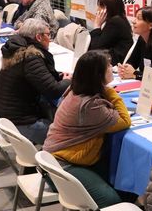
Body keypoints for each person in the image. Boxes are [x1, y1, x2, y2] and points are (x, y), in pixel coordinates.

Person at [42, 50, 131, 208]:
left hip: (58, 158)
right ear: (98, 75)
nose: (112, 68)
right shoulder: (90, 105)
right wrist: (109, 90)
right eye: (108, 66)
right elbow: (124, 120)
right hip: (62, 167)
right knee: (112, 202)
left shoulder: (75, 92)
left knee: (119, 176)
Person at [0, 19, 70, 144]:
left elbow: (39, 78)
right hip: (19, 126)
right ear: (38, 37)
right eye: (48, 34)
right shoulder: (30, 57)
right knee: (72, 136)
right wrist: (68, 80)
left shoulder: (15, 50)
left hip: (6, 122)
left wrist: (59, 77)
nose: (50, 38)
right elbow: (53, 90)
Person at [88, 0, 132, 65]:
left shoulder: (115, 22)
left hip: (113, 62)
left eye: (100, 6)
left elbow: (96, 48)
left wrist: (97, 26)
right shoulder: (119, 19)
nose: (97, 10)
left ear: (107, 9)